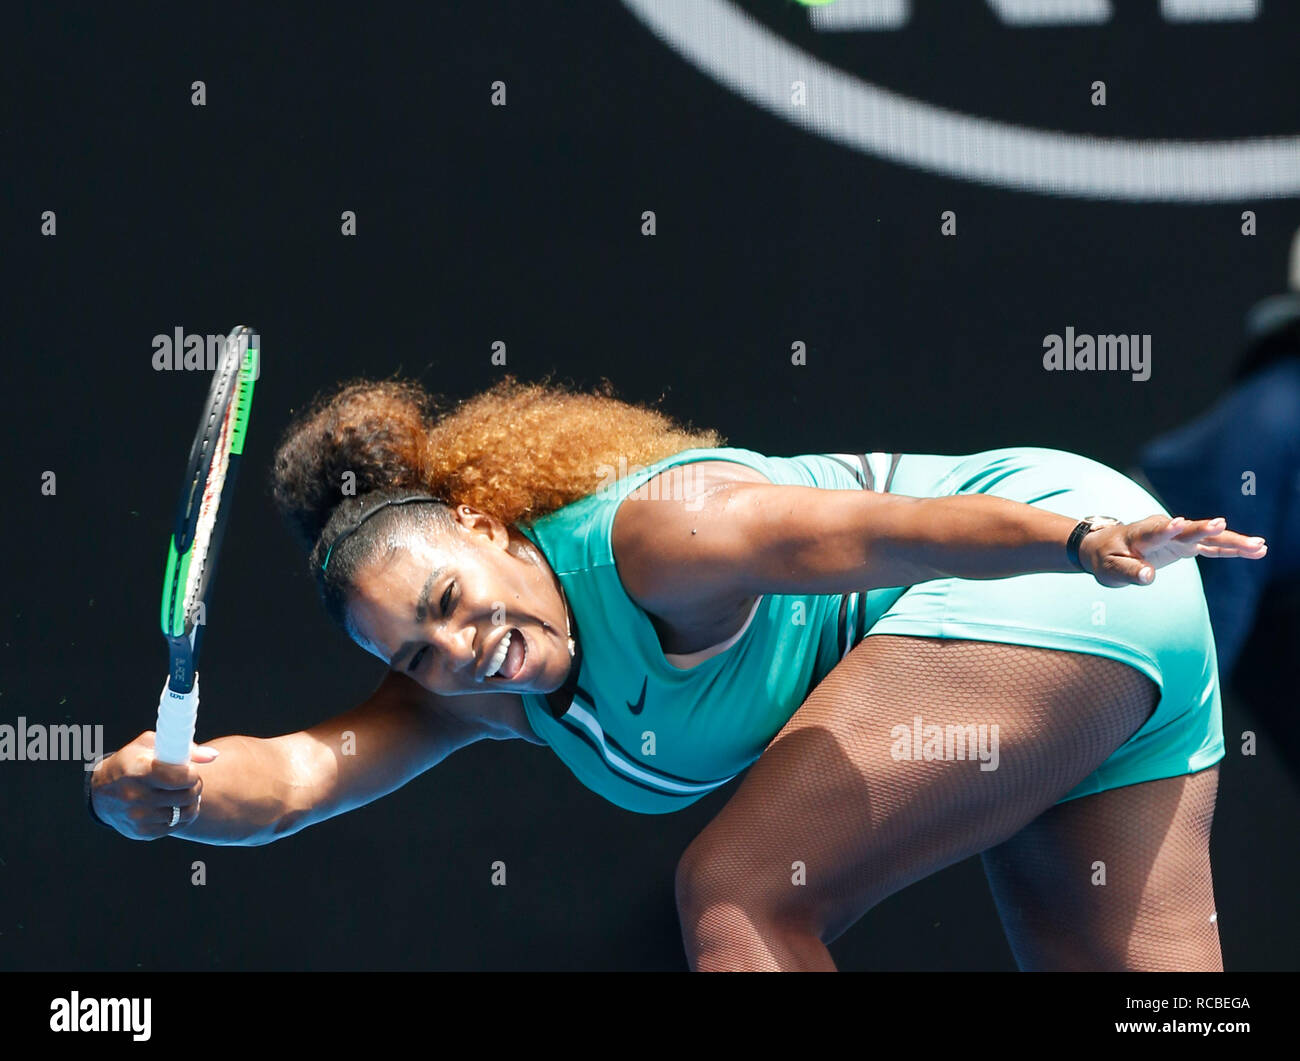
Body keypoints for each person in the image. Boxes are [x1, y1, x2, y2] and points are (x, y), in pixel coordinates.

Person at [88, 376, 1266, 971]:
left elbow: (864, 533)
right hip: (1094, 624)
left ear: (490, 524)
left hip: (1052, 553)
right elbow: (296, 776)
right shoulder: (476, 683)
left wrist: (1072, 544)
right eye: (415, 653)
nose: (457, 650)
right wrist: (157, 787)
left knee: (740, 891)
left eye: (447, 602)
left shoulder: (657, 535)